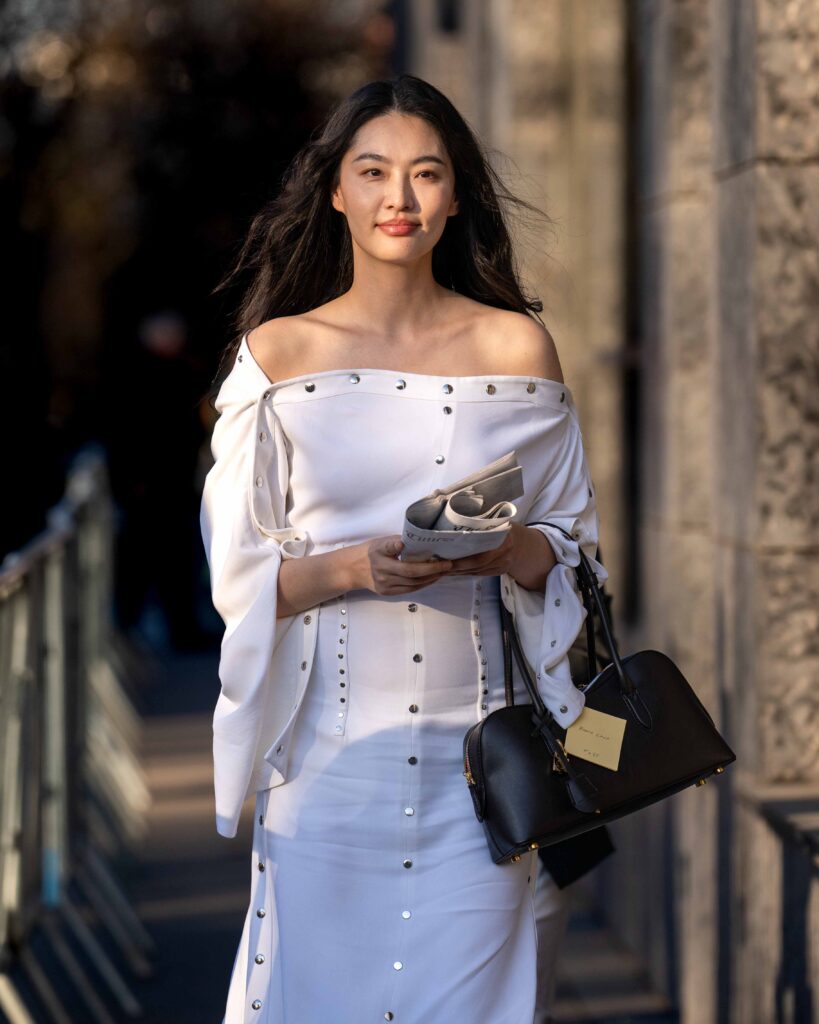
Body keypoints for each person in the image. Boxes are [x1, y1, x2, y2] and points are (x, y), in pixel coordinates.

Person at [200, 74, 609, 1024]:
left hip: (488, 777)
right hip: (328, 775)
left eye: (426, 174)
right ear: (335, 190)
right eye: (374, 171)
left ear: (456, 193)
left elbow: (572, 544)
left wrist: (506, 550)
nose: (400, 198)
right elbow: (240, 580)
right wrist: (355, 567)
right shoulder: (278, 356)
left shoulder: (517, 348)